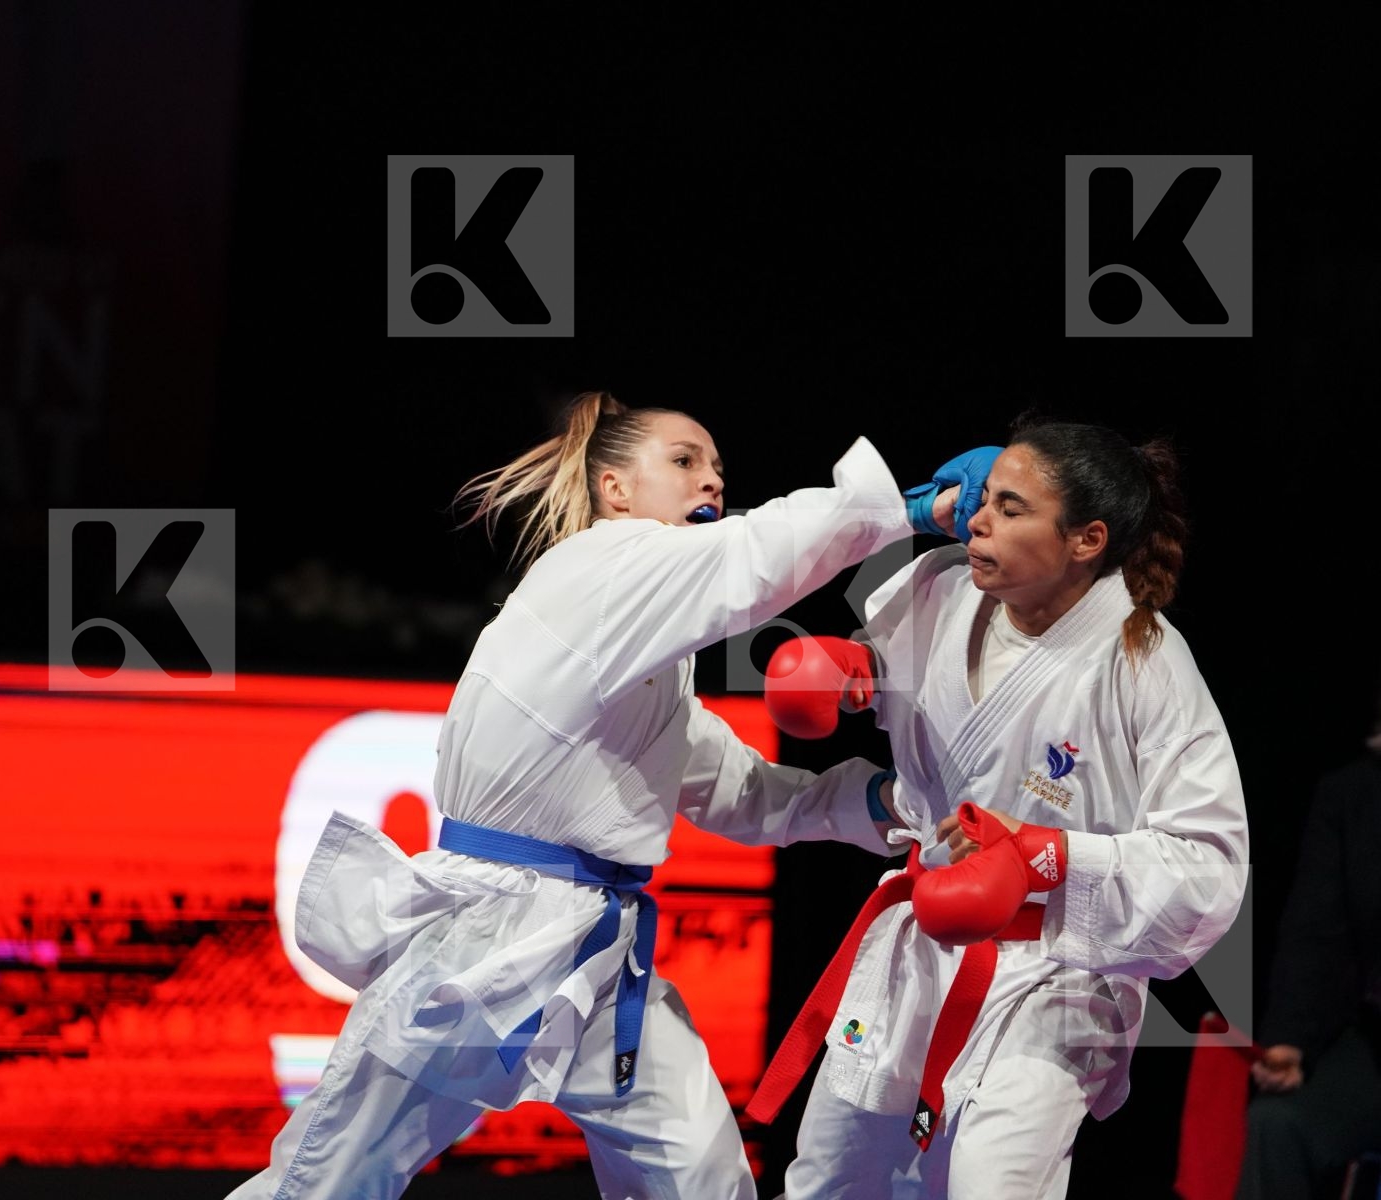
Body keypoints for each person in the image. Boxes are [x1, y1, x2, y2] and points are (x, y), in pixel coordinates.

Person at [227, 391, 986, 1199]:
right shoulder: (602, 568)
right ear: (616, 491)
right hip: (483, 938)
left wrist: (877, 803)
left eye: (719, 471)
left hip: (595, 948)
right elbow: (754, 557)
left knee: (701, 1178)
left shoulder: (649, 651)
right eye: (684, 462)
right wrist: (914, 509)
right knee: (328, 1179)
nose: (711, 484)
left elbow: (731, 787)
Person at [752, 418, 1250, 1198]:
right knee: (827, 1181)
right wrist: (855, 670)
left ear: (1086, 541)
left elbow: (1211, 865)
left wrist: (1045, 855)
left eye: (1011, 509)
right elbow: (895, 683)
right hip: (919, 943)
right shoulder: (937, 589)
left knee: (991, 1185)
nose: (977, 517)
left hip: (1056, 973)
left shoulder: (1143, 659)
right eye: (986, 499)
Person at [1235, 690, 1381, 1200]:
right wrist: (1290, 1041)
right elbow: (1316, 934)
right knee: (1278, 1125)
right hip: (1373, 1048)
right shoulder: (1354, 796)